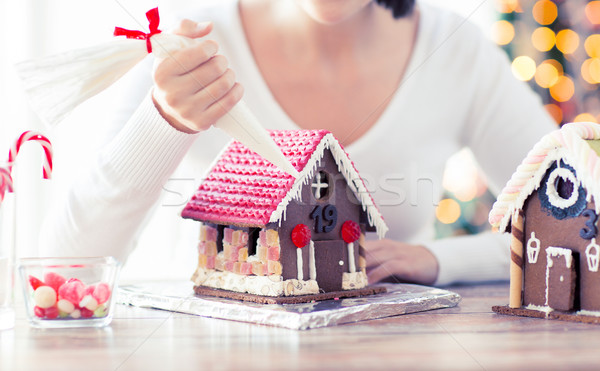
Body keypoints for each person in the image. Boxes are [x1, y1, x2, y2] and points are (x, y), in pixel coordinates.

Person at [41, 0, 557, 286]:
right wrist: (163, 121)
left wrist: (440, 259)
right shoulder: (190, 47)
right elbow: (63, 267)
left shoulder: (456, 50)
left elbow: (581, 225)